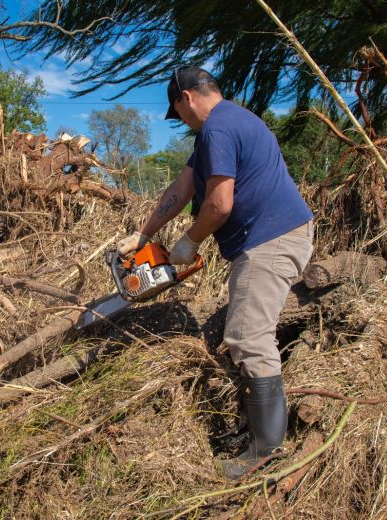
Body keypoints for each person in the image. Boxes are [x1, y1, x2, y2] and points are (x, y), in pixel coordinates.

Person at [117, 66, 314, 480]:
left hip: (271, 238)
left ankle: (265, 450)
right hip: (267, 237)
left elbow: (220, 205)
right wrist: (143, 234)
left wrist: (189, 241)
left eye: (180, 113)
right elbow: (183, 189)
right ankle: (259, 430)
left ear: (186, 98)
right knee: (246, 330)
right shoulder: (223, 127)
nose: (184, 123)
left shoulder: (218, 128)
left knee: (248, 335)